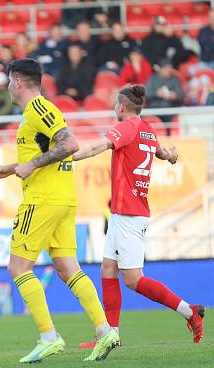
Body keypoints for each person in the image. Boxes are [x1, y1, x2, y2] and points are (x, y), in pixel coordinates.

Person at [0, 58, 118, 363]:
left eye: (8, 80)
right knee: (67, 268)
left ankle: (49, 336)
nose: (7, 86)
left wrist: (31, 165)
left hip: (43, 201)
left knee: (18, 268)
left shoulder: (38, 108)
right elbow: (49, 149)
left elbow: (69, 144)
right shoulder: (36, 113)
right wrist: (13, 168)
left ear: (18, 81)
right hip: (60, 199)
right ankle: (105, 330)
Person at [72, 85, 204, 350]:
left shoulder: (126, 128)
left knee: (133, 279)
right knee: (108, 269)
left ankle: (189, 312)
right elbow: (163, 152)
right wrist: (172, 156)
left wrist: (67, 157)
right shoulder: (147, 129)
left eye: (114, 104)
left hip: (129, 215)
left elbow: (99, 146)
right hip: (127, 213)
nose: (113, 108)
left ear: (122, 107)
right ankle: (111, 335)